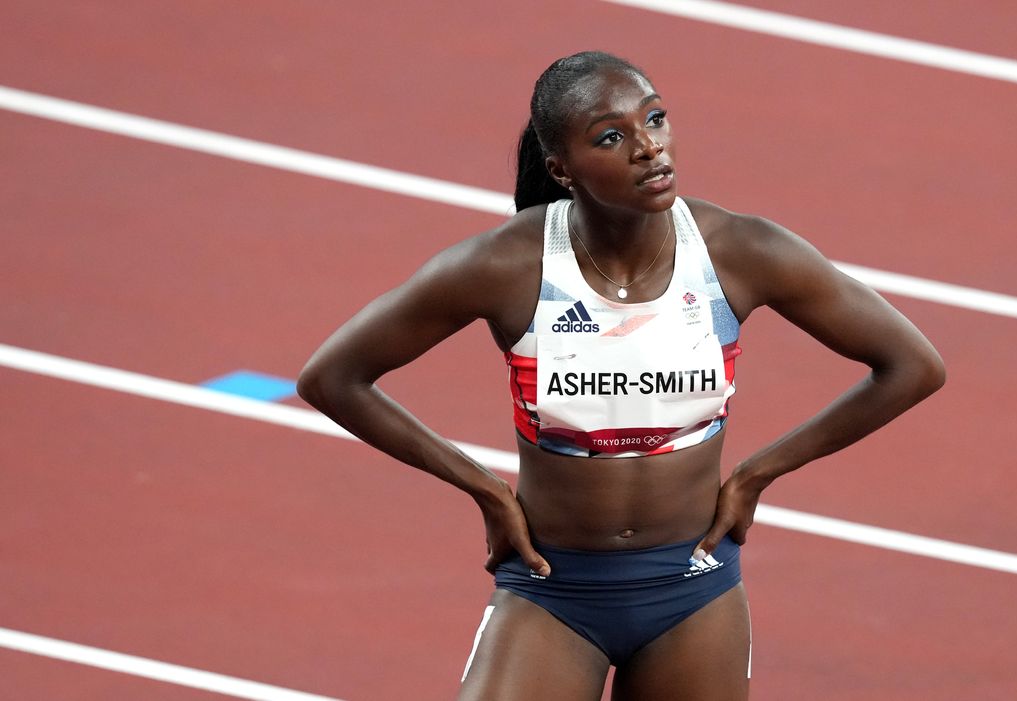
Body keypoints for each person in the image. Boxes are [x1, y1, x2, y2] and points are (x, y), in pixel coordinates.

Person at [297, 50, 944, 701]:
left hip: (692, 587)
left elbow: (911, 366)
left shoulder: (738, 251)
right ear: (561, 168)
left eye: (655, 119)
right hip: (554, 586)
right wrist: (485, 489)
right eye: (611, 136)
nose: (647, 147)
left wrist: (758, 472)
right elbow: (333, 378)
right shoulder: (508, 264)